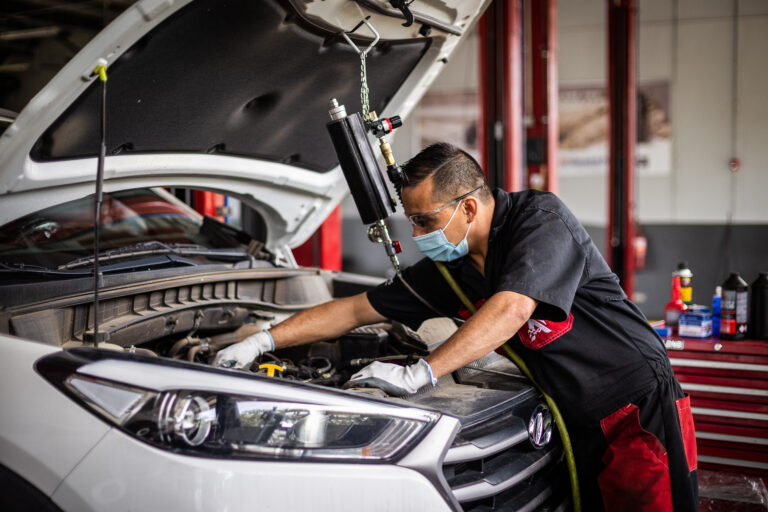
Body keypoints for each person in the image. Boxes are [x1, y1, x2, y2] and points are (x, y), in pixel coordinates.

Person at [214, 142, 698, 511]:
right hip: (574, 417)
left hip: (637, 408)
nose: (419, 235)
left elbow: (512, 309)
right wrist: (264, 339)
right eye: (413, 222)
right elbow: (357, 309)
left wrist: (419, 373)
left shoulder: (540, 220)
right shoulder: (457, 268)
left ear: (468, 207)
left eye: (425, 221)